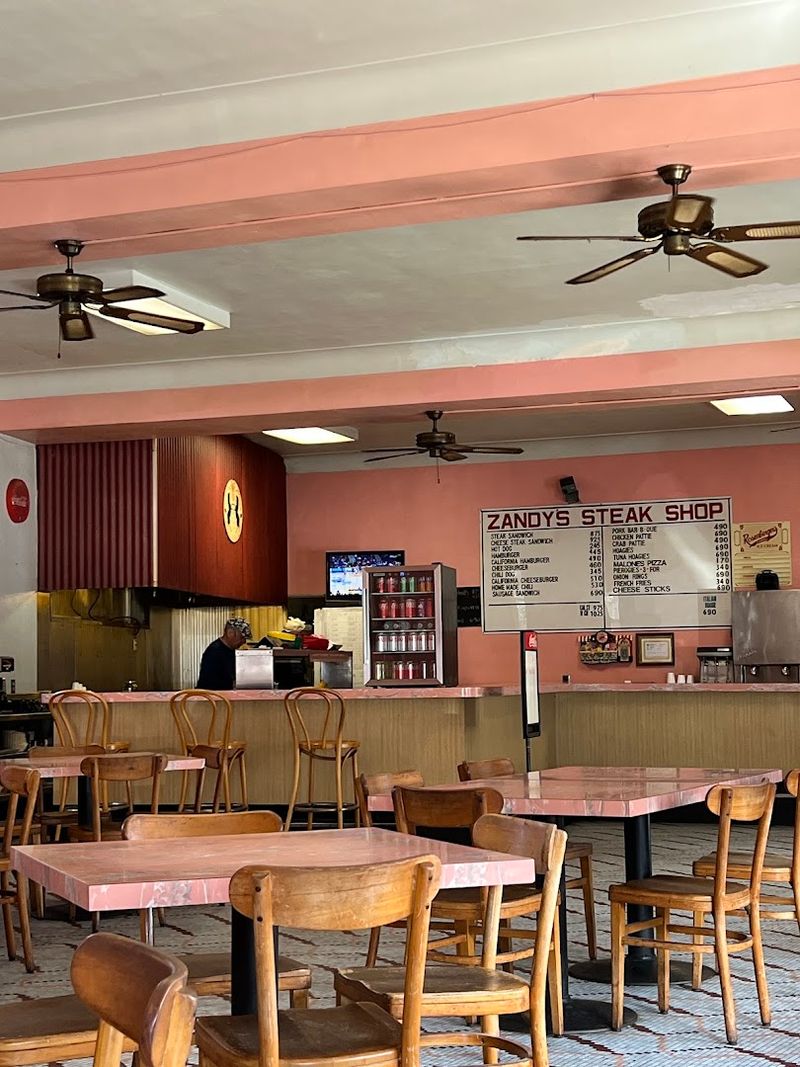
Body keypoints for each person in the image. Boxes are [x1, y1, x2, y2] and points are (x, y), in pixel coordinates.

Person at [196, 617, 252, 690]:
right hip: (212, 697)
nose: (244, 642)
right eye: (241, 638)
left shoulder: (231, 650)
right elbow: (212, 683)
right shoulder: (215, 651)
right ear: (230, 633)